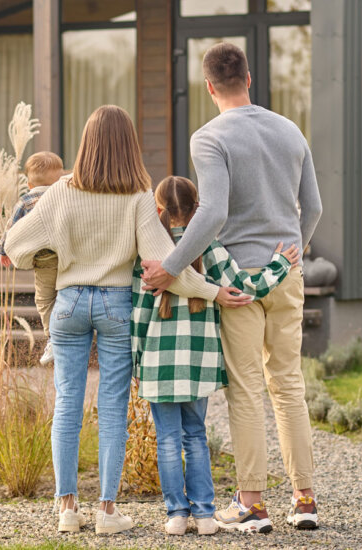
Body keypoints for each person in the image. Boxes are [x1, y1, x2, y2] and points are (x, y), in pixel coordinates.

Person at [4, 106, 251, 535]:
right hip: (117, 306)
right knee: (113, 409)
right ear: (129, 146)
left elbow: (14, 245)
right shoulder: (138, 197)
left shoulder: (60, 191)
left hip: (67, 303)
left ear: (86, 144)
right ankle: (106, 512)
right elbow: (166, 267)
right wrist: (214, 292)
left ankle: (66, 509)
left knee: (67, 403)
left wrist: (51, 256)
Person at [141, 43, 323, 532]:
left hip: (237, 282)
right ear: (248, 77)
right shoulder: (290, 130)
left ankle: (253, 505)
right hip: (286, 274)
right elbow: (315, 207)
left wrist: (171, 266)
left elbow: (214, 211)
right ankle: (304, 499)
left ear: (208, 87)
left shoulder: (209, 137)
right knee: (288, 386)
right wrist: (291, 258)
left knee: (246, 391)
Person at [132, 176, 299, 536]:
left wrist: (137, 361)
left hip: (159, 365)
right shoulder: (210, 247)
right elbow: (245, 288)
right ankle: (206, 515)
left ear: (157, 210)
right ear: (198, 211)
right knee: (195, 435)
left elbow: (139, 312)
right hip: (200, 362)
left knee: (167, 439)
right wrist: (280, 264)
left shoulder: (149, 251)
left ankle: (177, 515)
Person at [0, 151, 64, 366]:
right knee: (64, 295)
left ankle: (53, 337)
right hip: (68, 256)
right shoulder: (65, 196)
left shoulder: (26, 201)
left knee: (45, 299)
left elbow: (10, 229)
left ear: (28, 184)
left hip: (44, 260)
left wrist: (3, 250)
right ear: (60, 178)